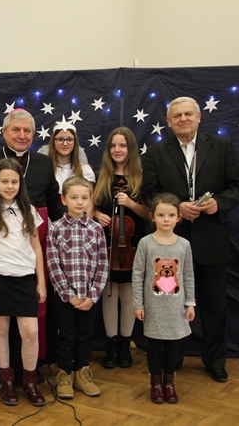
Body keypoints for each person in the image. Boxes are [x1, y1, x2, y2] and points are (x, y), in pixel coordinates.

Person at [141, 96, 239, 383]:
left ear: (199, 117)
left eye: (188, 114)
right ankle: (172, 361)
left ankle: (215, 362)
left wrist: (220, 204)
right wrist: (177, 208)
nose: (183, 119)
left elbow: (238, 186)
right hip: (170, 245)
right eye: (177, 115)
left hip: (212, 240)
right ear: (168, 121)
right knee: (171, 304)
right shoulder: (156, 152)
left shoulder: (222, 146)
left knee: (214, 306)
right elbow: (148, 193)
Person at [0, 109, 64, 386]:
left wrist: (73, 224)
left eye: (27, 131)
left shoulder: (43, 163)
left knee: (32, 317)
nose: (22, 135)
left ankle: (31, 367)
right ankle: (1, 370)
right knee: (0, 320)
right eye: (16, 130)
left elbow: (54, 203)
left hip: (33, 240)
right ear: (4, 132)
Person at [0, 158, 47, 407]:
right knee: (0, 330)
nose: (9, 186)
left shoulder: (29, 210)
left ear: (21, 184)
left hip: (24, 279)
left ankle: (30, 382)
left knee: (30, 331)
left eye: (14, 182)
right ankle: (6, 382)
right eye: (4, 181)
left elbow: (36, 248)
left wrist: (41, 282)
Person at [47, 176, 109, 399]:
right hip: (65, 297)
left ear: (90, 199)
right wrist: (68, 294)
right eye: (74, 197)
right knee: (66, 335)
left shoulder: (96, 229)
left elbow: (103, 264)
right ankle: (65, 374)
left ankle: (82, 372)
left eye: (84, 198)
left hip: (89, 297)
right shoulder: (55, 229)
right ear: (64, 200)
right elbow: (53, 264)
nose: (79, 202)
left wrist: (93, 295)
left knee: (85, 335)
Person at [92, 127, 149, 369]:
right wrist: (97, 215)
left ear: (130, 149)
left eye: (122, 145)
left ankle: (125, 344)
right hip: (107, 244)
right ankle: (111, 344)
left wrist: (131, 204)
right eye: (113, 145)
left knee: (127, 295)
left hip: (131, 245)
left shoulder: (141, 177)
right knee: (109, 294)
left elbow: (149, 213)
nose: (117, 150)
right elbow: (92, 205)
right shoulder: (103, 176)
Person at [132, 193, 196, 404]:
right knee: (154, 346)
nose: (166, 219)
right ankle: (156, 383)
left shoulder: (184, 245)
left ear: (179, 217)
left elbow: (188, 275)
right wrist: (138, 304)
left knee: (172, 347)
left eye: (170, 215)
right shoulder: (146, 243)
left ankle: (169, 382)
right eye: (161, 215)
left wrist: (190, 303)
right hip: (154, 306)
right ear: (152, 217)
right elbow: (138, 275)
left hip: (176, 307)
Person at [45, 120, 95, 193]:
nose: (65, 143)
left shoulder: (85, 170)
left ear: (75, 142)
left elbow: (89, 198)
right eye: (60, 139)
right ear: (53, 142)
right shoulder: (45, 170)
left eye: (69, 139)